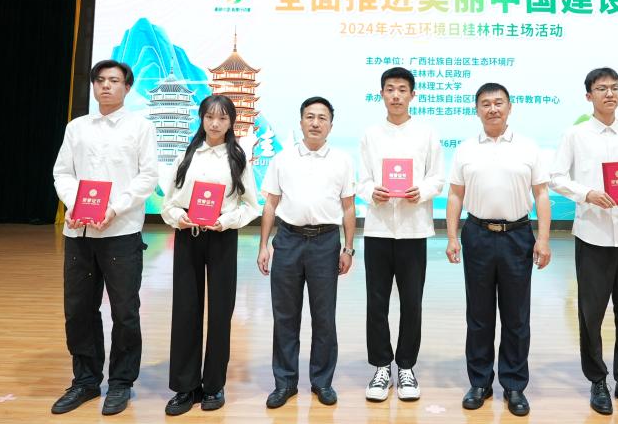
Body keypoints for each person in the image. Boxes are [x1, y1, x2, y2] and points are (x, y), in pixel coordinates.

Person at [548, 67, 618, 416]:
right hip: (592, 234)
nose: (609, 94)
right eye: (601, 88)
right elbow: (556, 177)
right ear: (589, 96)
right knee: (591, 312)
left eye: (614, 88)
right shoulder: (575, 135)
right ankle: (597, 380)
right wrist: (587, 193)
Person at [51, 59, 158, 415]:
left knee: (125, 311)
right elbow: (63, 173)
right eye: (100, 80)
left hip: (120, 232)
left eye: (114, 80)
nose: (106, 86)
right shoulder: (77, 127)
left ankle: (121, 382)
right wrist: (75, 203)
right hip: (79, 231)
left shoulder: (141, 127)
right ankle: (85, 381)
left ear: (127, 87)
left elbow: (148, 177)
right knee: (79, 309)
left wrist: (114, 208)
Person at [445, 82, 552, 417]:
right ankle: (479, 383)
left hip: (517, 235)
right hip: (477, 234)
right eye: (486, 104)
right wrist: (452, 237)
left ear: (509, 107)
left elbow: (542, 195)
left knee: (516, 316)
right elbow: (455, 195)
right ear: (477, 109)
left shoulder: (528, 147)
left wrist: (543, 239)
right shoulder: (465, 149)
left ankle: (514, 385)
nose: (492, 109)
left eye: (499, 103)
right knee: (479, 315)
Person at [160, 95, 261, 416]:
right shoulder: (187, 156)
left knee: (220, 313)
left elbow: (251, 205)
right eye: (209, 117)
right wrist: (179, 217)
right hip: (188, 235)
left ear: (231, 123)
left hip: (221, 238)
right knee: (186, 310)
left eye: (222, 118)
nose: (215, 124)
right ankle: (185, 386)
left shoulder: (237, 158)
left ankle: (214, 385)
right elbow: (168, 203)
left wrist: (226, 221)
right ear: (201, 119)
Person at [257, 96, 357, 409]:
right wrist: (263, 245)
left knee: (324, 316)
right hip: (288, 239)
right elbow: (270, 203)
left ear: (331, 125)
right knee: (285, 315)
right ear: (300, 122)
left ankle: (322, 381)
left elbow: (349, 207)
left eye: (322, 118)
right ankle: (285, 382)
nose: (315, 123)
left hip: (326, 242)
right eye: (310, 117)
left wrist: (348, 248)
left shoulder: (342, 160)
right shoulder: (282, 159)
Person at [357, 67, 444, 402]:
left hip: (413, 230)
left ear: (412, 95)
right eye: (390, 89)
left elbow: (437, 178)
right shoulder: (370, 135)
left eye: (402, 89)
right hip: (378, 229)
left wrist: (421, 191)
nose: (396, 95)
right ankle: (381, 366)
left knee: (411, 302)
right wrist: (371, 192)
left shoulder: (426, 134)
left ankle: (406, 366)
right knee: (376, 302)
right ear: (381, 94)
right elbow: (362, 179)